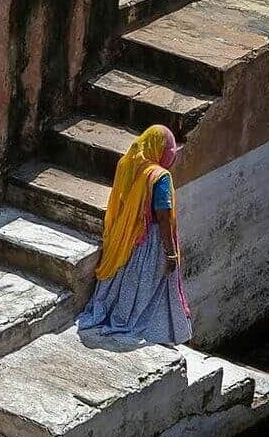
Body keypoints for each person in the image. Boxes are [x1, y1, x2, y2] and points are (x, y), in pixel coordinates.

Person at [78, 123, 193, 343]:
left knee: (126, 281)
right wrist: (170, 253)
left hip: (127, 236)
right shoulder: (160, 177)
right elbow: (163, 216)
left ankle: (118, 314)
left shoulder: (130, 165)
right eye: (170, 150)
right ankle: (155, 328)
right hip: (150, 241)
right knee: (150, 288)